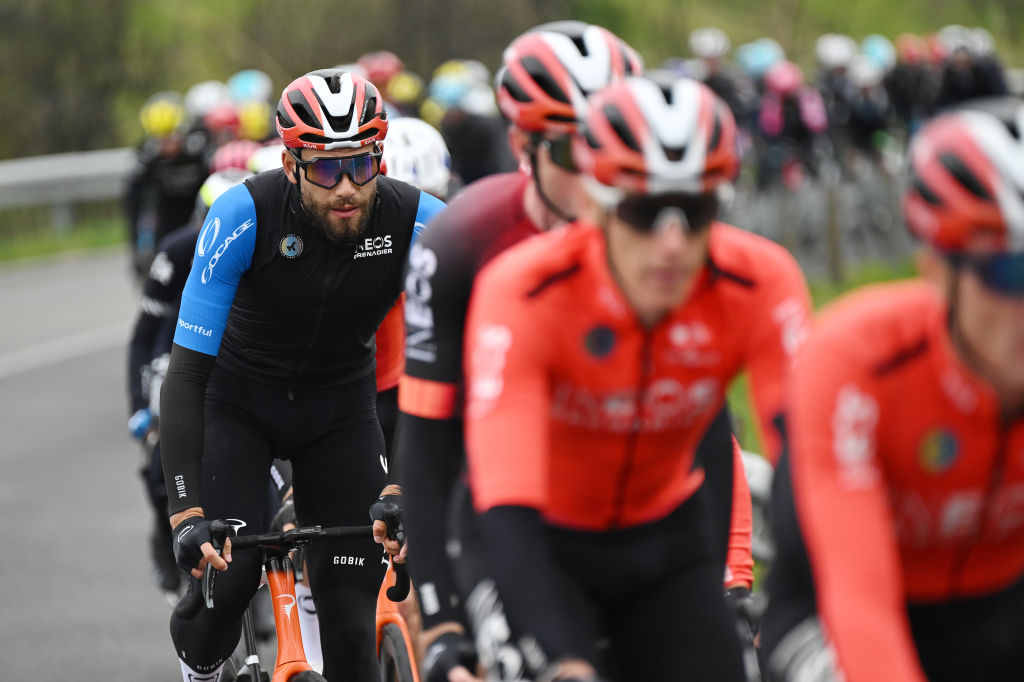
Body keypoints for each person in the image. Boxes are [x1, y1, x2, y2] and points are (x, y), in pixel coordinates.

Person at [461, 72, 811, 681]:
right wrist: (562, 663)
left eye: (695, 212)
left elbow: (812, 471)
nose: (672, 245)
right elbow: (505, 496)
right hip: (539, 539)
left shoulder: (759, 282)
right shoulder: (525, 289)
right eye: (645, 212)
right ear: (595, 203)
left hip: (663, 545)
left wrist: (800, 620)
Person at [159, 68, 445, 682]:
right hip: (236, 405)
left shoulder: (417, 220)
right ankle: (202, 669)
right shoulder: (243, 214)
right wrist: (186, 515)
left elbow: (450, 366)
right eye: (324, 169)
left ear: (380, 159)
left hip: (339, 413)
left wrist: (408, 489)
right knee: (226, 589)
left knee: (350, 619)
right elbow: (184, 375)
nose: (345, 187)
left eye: (360, 166)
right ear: (292, 165)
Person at [395, 21, 648, 682]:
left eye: (619, 147)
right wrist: (442, 616)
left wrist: (732, 578)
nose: (601, 178)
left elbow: (699, 417)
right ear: (522, 145)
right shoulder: (462, 243)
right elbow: (425, 443)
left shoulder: (667, 242)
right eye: (573, 153)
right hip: (493, 502)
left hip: (627, 506)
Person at [761, 97, 1024, 682]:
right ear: (939, 267)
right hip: (833, 612)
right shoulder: (858, 360)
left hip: (1000, 611)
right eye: (1012, 273)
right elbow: (859, 598)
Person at [127, 168, 253, 602]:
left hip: (238, 356)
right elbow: (144, 336)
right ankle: (165, 537)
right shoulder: (176, 250)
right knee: (161, 452)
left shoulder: (264, 244)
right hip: (178, 352)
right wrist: (138, 407)